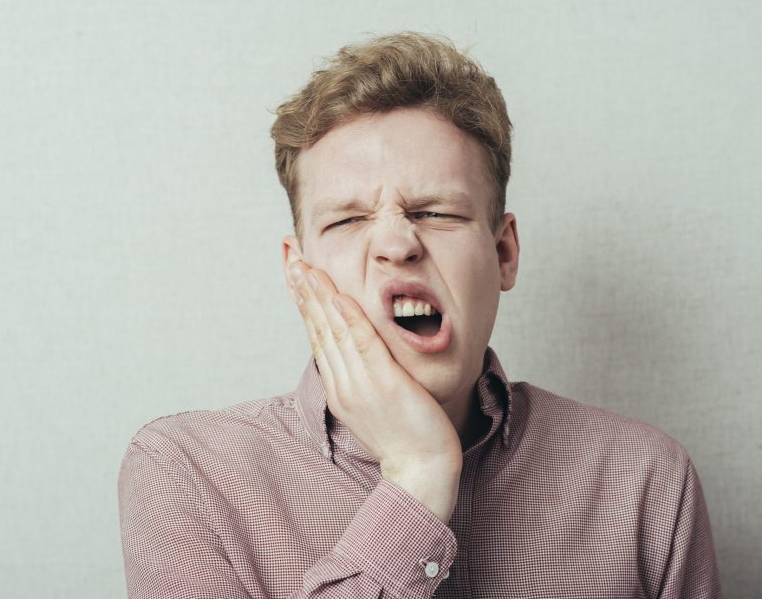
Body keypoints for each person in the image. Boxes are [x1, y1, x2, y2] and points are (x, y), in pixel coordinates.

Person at [118, 32, 722, 598]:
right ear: (298, 273)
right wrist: (417, 477)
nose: (396, 245)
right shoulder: (187, 475)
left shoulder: (646, 480)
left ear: (504, 254)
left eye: (435, 212)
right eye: (347, 220)